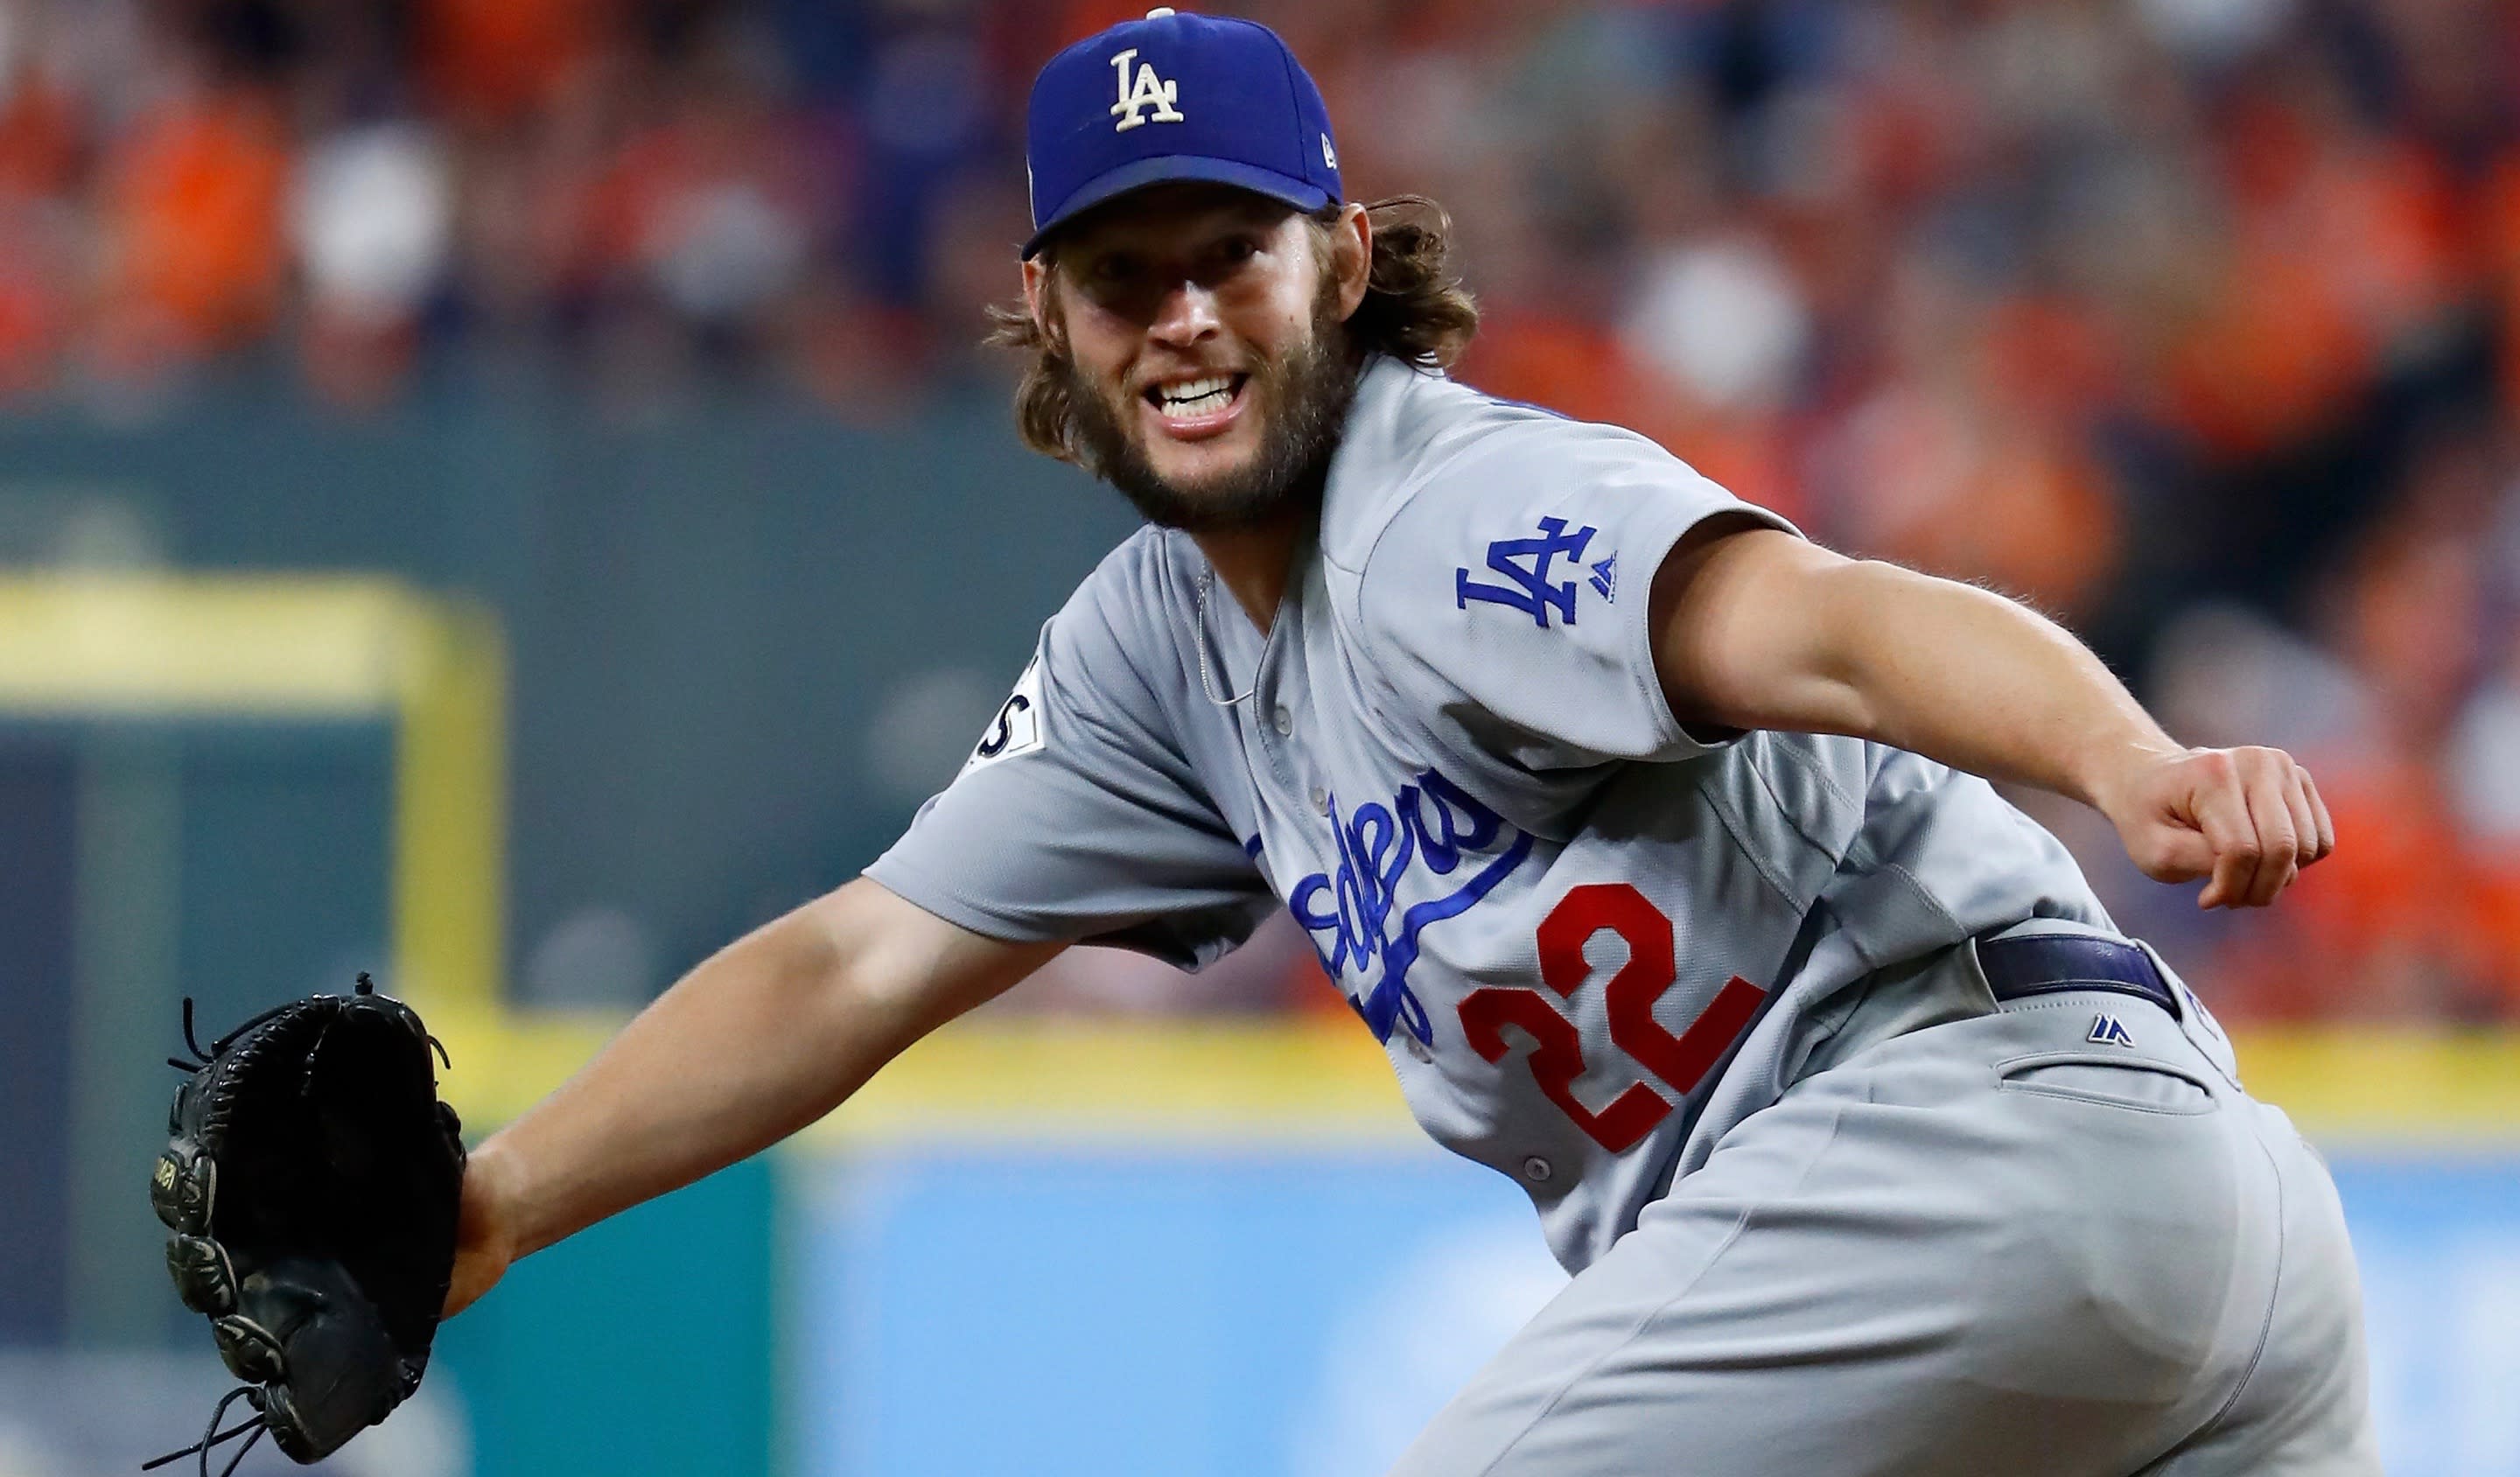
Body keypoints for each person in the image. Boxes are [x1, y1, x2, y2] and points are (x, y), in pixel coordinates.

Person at [443, 10, 2376, 1474]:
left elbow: (1835, 625)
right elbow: (856, 958)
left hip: (1962, 1131)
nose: (1185, 315)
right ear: (1047, 312)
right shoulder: (1157, 652)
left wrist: (2124, 762)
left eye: (1235, 255)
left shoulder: (1436, 511)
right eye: (1127, 271)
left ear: (1345, 266)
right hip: (2167, 1222)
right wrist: (505, 1196)